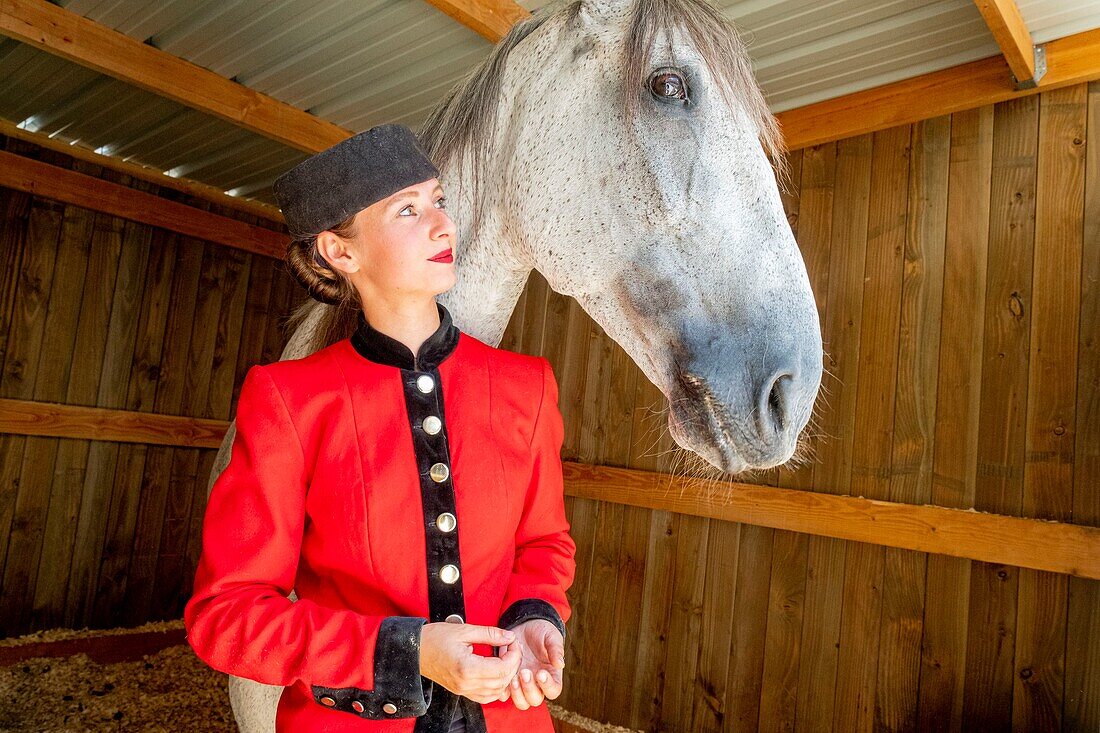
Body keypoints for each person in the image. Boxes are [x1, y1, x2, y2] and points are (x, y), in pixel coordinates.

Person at [184, 124, 577, 733]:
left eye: (439, 201)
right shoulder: (288, 399)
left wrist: (536, 617)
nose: (444, 225)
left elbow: (543, 543)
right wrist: (409, 650)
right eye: (408, 210)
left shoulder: (528, 384)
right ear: (341, 252)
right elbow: (226, 618)